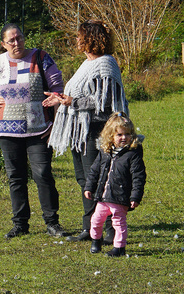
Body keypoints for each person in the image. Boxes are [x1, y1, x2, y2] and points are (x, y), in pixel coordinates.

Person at [0, 23, 67, 238]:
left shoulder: (40, 57)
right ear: (3, 44)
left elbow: (57, 90)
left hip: (39, 129)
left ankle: (52, 223)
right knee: (16, 177)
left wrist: (56, 122)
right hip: (7, 131)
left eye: (19, 38)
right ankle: (20, 224)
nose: (16, 43)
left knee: (43, 174)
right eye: (11, 40)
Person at [46, 21, 129, 240]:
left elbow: (104, 100)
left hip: (95, 130)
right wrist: (61, 99)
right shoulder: (87, 64)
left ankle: (107, 229)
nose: (76, 40)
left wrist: (72, 101)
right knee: (84, 180)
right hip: (80, 130)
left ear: (90, 38)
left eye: (79, 36)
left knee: (98, 180)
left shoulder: (106, 63)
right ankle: (91, 228)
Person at [84, 114, 145, 257]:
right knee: (96, 220)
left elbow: (138, 176)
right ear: (111, 135)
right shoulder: (105, 152)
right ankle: (96, 240)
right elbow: (94, 170)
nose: (124, 138)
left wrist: (135, 196)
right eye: (119, 134)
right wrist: (89, 187)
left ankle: (119, 247)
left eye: (127, 134)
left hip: (120, 196)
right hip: (103, 196)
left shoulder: (133, 154)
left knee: (118, 223)